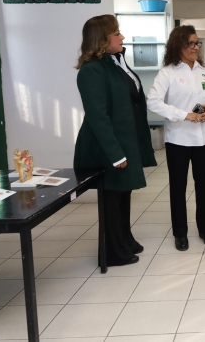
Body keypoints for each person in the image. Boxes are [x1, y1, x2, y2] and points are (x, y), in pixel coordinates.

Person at [74, 14, 156, 267]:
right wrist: (115, 153)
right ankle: (112, 251)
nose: (122, 37)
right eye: (116, 33)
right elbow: (98, 117)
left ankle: (124, 239)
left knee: (123, 192)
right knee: (111, 197)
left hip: (124, 141)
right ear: (102, 38)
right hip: (106, 148)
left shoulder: (115, 63)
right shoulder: (91, 71)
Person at [147, 25, 205, 251]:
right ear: (178, 46)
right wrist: (183, 115)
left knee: (204, 186)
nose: (195, 47)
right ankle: (180, 233)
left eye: (197, 43)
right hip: (178, 139)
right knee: (178, 188)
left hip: (204, 138)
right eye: (190, 43)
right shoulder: (167, 73)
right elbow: (153, 102)